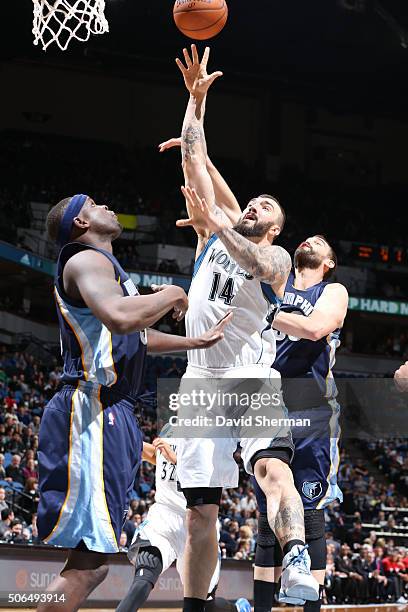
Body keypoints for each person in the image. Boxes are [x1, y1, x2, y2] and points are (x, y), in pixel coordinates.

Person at [161, 96, 347, 612]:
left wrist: (216, 221)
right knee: (200, 514)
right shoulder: (215, 234)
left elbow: (244, 248)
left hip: (248, 375)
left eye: (265, 207)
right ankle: (194, 607)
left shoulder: (276, 256)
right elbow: (194, 161)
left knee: (272, 472)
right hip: (199, 378)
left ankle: (296, 562)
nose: (253, 206)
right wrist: (196, 102)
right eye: (252, 201)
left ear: (274, 228)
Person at [36, 193, 230, 612]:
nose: (106, 205)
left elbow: (136, 336)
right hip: (91, 408)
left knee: (92, 564)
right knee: (89, 566)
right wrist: (176, 294)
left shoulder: (112, 272)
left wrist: (196, 341)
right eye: (93, 204)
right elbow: (119, 317)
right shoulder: (85, 260)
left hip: (113, 411)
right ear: (81, 224)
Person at [117, 433, 250, 612]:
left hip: (200, 521)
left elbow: (216, 476)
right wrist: (126, 440)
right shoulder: (170, 425)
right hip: (164, 517)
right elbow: (153, 454)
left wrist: (177, 460)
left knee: (206, 605)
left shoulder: (213, 433)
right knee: (144, 575)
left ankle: (237, 609)